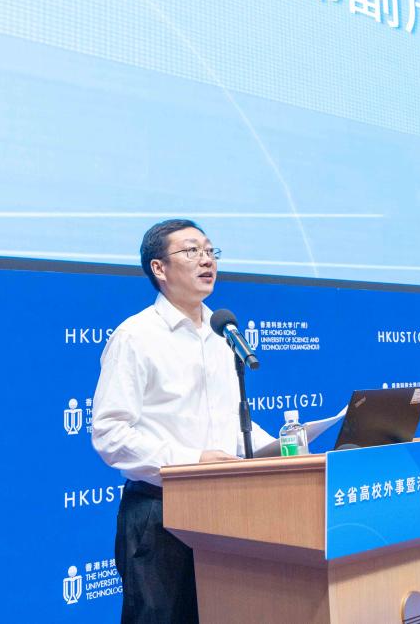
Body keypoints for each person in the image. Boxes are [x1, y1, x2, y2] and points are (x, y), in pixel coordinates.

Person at [91, 218, 271, 624]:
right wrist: (192, 461)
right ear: (159, 268)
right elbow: (110, 434)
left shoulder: (223, 334)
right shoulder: (136, 336)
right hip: (160, 515)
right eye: (192, 251)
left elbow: (231, 423)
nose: (207, 260)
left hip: (225, 511)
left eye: (210, 251)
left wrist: (284, 449)